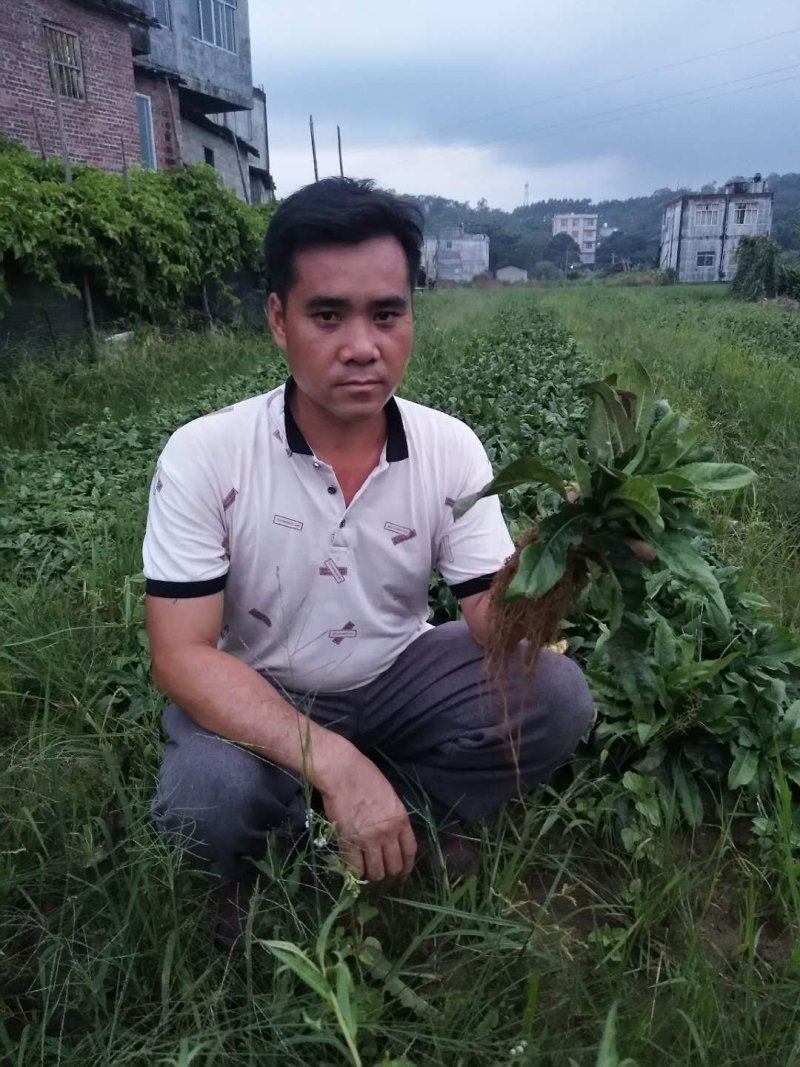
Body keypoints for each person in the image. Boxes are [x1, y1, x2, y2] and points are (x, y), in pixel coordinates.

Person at [143, 178, 594, 938]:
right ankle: (303, 835)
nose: (362, 346)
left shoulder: (447, 446)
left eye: (386, 314)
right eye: (328, 314)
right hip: (261, 687)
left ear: (412, 317)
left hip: (394, 676)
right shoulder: (207, 454)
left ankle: (411, 815)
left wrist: (571, 554)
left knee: (556, 695)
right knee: (206, 796)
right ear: (279, 321)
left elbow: (493, 622)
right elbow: (182, 656)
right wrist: (337, 762)